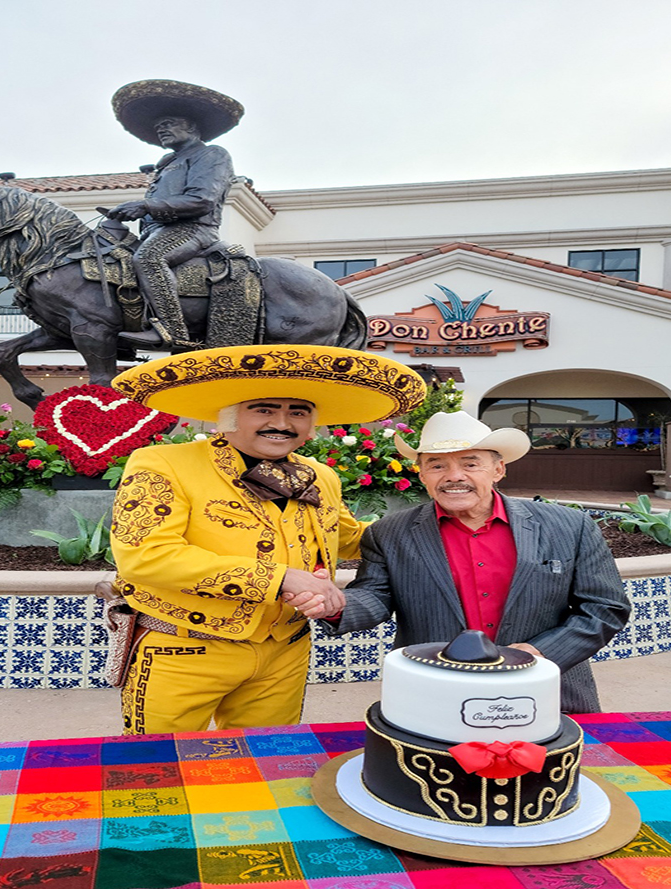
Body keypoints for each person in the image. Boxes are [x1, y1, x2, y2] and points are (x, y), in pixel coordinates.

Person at [108, 344, 427, 735]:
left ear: (312, 425)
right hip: (184, 649)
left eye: (298, 411)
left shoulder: (320, 476)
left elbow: (349, 539)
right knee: (158, 769)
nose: (282, 422)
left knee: (266, 764)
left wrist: (431, 528)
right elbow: (146, 557)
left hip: (285, 651)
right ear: (229, 417)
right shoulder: (164, 464)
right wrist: (282, 579)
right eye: (264, 409)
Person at [307, 410, 630, 713]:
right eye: (437, 465)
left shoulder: (568, 526)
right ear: (421, 474)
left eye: (470, 464)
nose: (454, 477)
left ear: (498, 469)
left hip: (547, 693)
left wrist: (538, 654)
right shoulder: (389, 533)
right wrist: (335, 605)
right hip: (433, 694)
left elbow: (605, 607)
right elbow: (375, 597)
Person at [106, 80, 244, 348]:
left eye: (168, 123)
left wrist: (145, 206)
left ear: (191, 126)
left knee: (148, 259)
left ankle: (172, 330)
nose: (161, 128)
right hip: (156, 232)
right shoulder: (168, 165)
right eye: (159, 126)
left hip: (194, 230)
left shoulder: (211, 154)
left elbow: (202, 200)